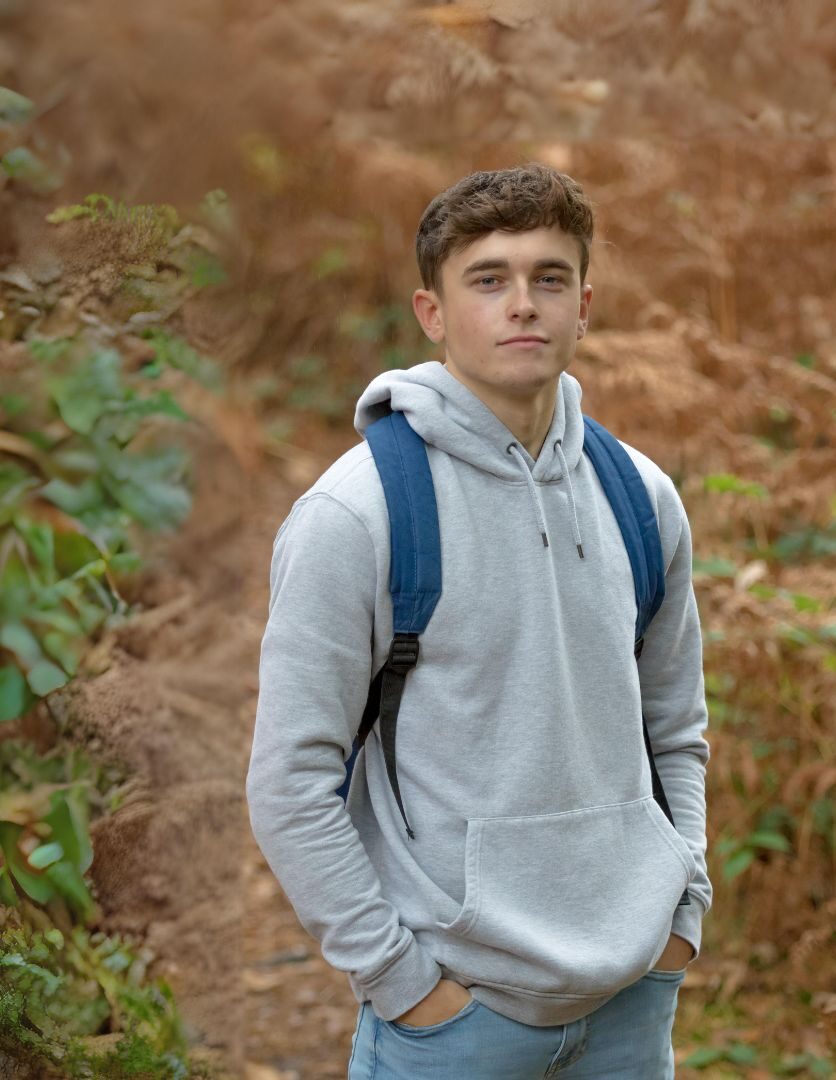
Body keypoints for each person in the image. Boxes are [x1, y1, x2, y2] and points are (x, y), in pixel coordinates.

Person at [245, 162, 713, 1078]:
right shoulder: (360, 512)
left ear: (585, 305)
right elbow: (289, 781)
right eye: (488, 279)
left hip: (631, 1005)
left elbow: (676, 729)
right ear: (433, 311)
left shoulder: (642, 497)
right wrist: (402, 983)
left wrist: (681, 912)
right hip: (455, 1023)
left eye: (550, 277)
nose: (523, 304)